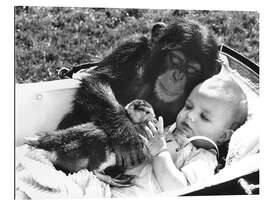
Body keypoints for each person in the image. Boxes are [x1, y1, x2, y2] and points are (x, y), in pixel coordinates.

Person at [111, 74, 248, 197]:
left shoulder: (203, 158)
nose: (190, 115)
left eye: (204, 117)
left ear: (223, 136)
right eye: (188, 106)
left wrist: (160, 154)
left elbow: (182, 190)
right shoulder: (168, 131)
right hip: (112, 183)